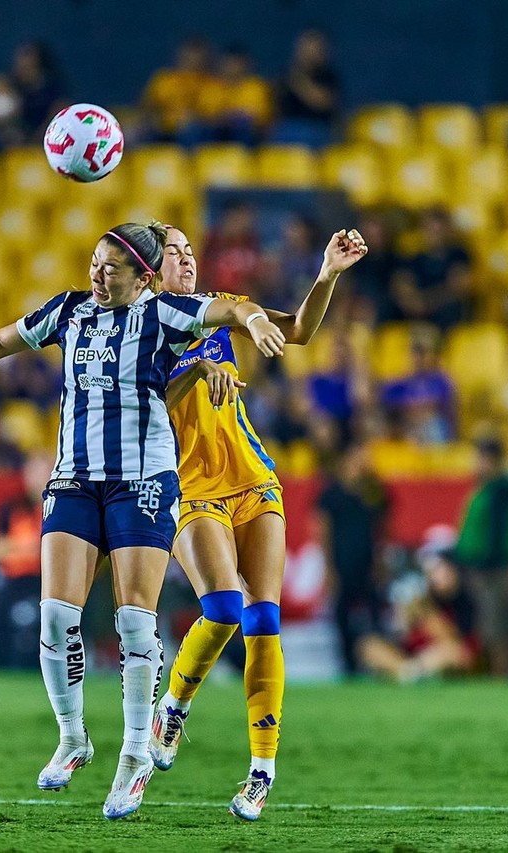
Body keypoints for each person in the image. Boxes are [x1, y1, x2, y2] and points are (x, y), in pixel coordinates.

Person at [0, 222, 288, 820]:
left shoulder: (167, 315)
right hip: (75, 478)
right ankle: (74, 738)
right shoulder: (68, 310)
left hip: (144, 481)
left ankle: (135, 759)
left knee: (136, 623)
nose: (97, 275)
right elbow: (0, 341)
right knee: (56, 616)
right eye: (94, 262)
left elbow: (230, 312)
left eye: (112, 268)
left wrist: (258, 320)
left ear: (143, 277)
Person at [146, 223, 367, 820]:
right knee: (221, 609)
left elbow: (295, 330)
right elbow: (150, 396)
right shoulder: (137, 330)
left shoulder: (219, 312)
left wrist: (325, 277)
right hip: (193, 491)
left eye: (192, 251)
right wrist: (198, 370)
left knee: (264, 615)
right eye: (174, 254)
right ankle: (174, 705)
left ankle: (261, 770)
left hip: (254, 481)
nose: (189, 261)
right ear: (148, 268)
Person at [358, 532, 477, 682]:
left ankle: (410, 672)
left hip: (440, 655)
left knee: (453, 653)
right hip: (413, 658)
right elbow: (400, 635)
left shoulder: (465, 600)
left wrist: (425, 611)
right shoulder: (417, 596)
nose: (434, 574)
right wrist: (404, 614)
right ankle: (408, 673)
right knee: (369, 646)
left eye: (439, 567)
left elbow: (452, 640)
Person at [317, 439, 390, 676]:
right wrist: (328, 569)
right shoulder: (332, 494)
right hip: (342, 565)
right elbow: (324, 532)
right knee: (342, 615)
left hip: (367, 565)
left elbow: (382, 527)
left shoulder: (372, 491)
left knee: (376, 612)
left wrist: (380, 562)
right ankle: (347, 663)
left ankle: (381, 660)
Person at [452, 436, 508, 676]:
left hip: (493, 571)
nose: (478, 463)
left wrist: (488, 564)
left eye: (483, 458)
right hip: (480, 569)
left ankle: (501, 678)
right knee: (487, 629)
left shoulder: (500, 489)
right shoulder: (484, 487)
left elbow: (499, 534)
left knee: (497, 631)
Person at [0, 455, 53, 668]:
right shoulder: (11, 507)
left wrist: (16, 546)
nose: (38, 479)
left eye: (44, 473)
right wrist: (30, 547)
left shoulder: (60, 507)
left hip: (46, 580)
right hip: (14, 578)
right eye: (34, 473)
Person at [391, 207, 472, 331]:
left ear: (447, 231)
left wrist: (427, 302)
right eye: (428, 229)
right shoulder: (413, 256)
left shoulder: (458, 254)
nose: (432, 235)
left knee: (450, 309)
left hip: (445, 314)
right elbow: (402, 283)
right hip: (417, 313)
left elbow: (459, 287)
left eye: (437, 231)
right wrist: (414, 302)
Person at [379, 330, 457, 445]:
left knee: (433, 425)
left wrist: (414, 409)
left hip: (433, 431)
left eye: (423, 352)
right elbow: (383, 398)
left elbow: (437, 407)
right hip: (406, 428)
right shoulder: (401, 381)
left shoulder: (441, 381)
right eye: (415, 352)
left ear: (434, 356)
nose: (418, 358)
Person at [195, 45, 273, 145]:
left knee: (244, 130)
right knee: (197, 130)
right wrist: (232, 116)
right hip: (215, 133)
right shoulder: (212, 87)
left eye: (237, 63)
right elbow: (206, 115)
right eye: (229, 63)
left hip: (247, 135)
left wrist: (227, 116)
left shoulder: (256, 86)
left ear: (246, 64)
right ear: (222, 64)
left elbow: (257, 116)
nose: (233, 67)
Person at [274, 30, 340, 147]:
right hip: (286, 127)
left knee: (304, 135)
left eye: (314, 47)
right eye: (304, 46)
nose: (308, 51)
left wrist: (299, 81)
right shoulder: (286, 74)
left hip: (317, 128)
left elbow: (322, 103)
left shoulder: (328, 76)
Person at [141, 38, 213, 143]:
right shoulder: (164, 79)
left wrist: (194, 118)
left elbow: (210, 114)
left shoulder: (209, 83)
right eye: (189, 55)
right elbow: (147, 107)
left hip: (192, 131)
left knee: (193, 130)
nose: (192, 60)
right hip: (161, 127)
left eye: (197, 57)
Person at [11, 42, 65, 143]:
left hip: (46, 141)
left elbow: (58, 112)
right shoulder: (14, 88)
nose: (21, 64)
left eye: (27, 67)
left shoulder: (53, 89)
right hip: (18, 144)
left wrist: (37, 138)